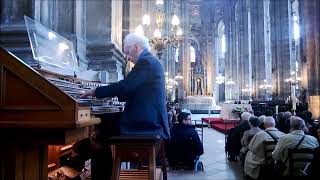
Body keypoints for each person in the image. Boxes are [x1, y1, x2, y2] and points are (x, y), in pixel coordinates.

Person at [79, 32, 170, 179]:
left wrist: (96, 91)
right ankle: (86, 155)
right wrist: (108, 94)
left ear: (136, 47)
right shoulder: (149, 61)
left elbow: (125, 86)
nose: (127, 57)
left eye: (127, 52)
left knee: (101, 125)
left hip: (147, 121)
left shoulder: (146, 62)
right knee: (103, 127)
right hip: (149, 118)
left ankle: (85, 158)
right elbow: (130, 89)